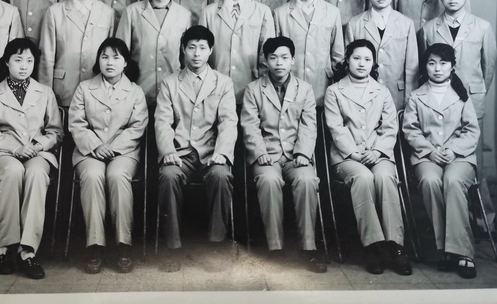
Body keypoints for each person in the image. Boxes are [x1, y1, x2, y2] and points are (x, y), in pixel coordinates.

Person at [324, 39, 411, 276]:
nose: (361, 63)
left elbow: (390, 127)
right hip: (347, 157)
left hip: (378, 153)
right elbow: (336, 128)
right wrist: (353, 153)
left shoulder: (382, 91)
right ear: (347, 61)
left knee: (385, 177)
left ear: (373, 63)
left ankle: (395, 246)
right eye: (356, 58)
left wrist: (378, 151)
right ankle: (373, 247)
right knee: (363, 178)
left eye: (367, 59)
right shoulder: (334, 91)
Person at [0, 38, 63, 279]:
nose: (24, 66)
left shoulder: (45, 93)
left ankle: (28, 251)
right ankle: (4, 249)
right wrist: (15, 148)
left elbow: (55, 131)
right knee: (13, 171)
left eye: (29, 61)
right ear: (7, 62)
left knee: (36, 173)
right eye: (18, 60)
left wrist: (38, 145)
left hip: (37, 152)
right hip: (1, 153)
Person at [155, 26, 237, 270]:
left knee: (221, 176)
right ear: (183, 49)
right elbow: (162, 122)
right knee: (168, 176)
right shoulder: (170, 83)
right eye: (191, 47)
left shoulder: (223, 82)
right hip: (180, 153)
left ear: (211, 50)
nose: (197, 53)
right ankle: (172, 247)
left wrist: (222, 153)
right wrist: (168, 151)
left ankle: (216, 245)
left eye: (202, 48)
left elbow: (228, 122)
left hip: (211, 153)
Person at [241, 36, 326, 273]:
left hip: (295, 155)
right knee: (269, 180)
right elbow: (250, 126)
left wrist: (303, 153)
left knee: (307, 180)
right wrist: (260, 152)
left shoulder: (305, 89)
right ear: (265, 61)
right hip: (266, 155)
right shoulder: (253, 89)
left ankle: (308, 247)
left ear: (293, 60)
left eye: (284, 57)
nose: (279, 63)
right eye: (273, 57)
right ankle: (275, 247)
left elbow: (309, 126)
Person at [420, 0, 496, 227]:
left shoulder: (482, 27)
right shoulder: (429, 28)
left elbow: (488, 67)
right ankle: (448, 220)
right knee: (444, 160)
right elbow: (425, 67)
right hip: (439, 104)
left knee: (474, 164)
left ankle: (483, 218)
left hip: (472, 101)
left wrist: (474, 92)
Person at [68, 38, 148, 274]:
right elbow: (76, 123)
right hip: (88, 151)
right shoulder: (84, 88)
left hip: (123, 151)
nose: (110, 62)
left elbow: (137, 127)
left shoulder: (135, 92)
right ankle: (95, 246)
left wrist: (112, 148)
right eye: (104, 57)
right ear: (98, 61)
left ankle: (124, 245)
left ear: (125, 63)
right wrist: (95, 145)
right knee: (93, 176)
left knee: (117, 175)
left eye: (116, 57)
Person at [402, 43, 480, 279]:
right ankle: (445, 249)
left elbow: (472, 131)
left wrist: (454, 151)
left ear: (452, 67)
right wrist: (429, 151)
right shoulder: (416, 96)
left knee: (453, 181)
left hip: (460, 156)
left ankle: (462, 252)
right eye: (432, 63)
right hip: (428, 156)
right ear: (425, 66)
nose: (437, 68)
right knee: (430, 181)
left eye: (443, 63)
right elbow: (410, 130)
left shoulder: (462, 95)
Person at [39, 0, 114, 108]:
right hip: (63, 89)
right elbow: (47, 56)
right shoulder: (55, 12)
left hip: (97, 89)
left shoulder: (108, 13)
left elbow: (111, 54)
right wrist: (45, 96)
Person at [200, 0, 275, 104]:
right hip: (215, 87)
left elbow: (266, 53)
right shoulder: (208, 12)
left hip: (251, 85)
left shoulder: (262, 11)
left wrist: (262, 83)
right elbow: (201, 51)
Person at [116, 0, 192, 105]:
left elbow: (186, 59)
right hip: (138, 91)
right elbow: (121, 54)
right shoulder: (132, 12)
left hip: (173, 93)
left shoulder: (184, 15)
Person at [345, 0, 419, 110]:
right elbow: (349, 66)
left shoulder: (406, 24)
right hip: (363, 94)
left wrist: (410, 102)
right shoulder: (354, 24)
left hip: (397, 94)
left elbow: (411, 67)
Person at [274, 0, 344, 107]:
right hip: (289, 82)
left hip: (322, 84)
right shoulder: (280, 13)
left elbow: (338, 55)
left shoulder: (333, 12)